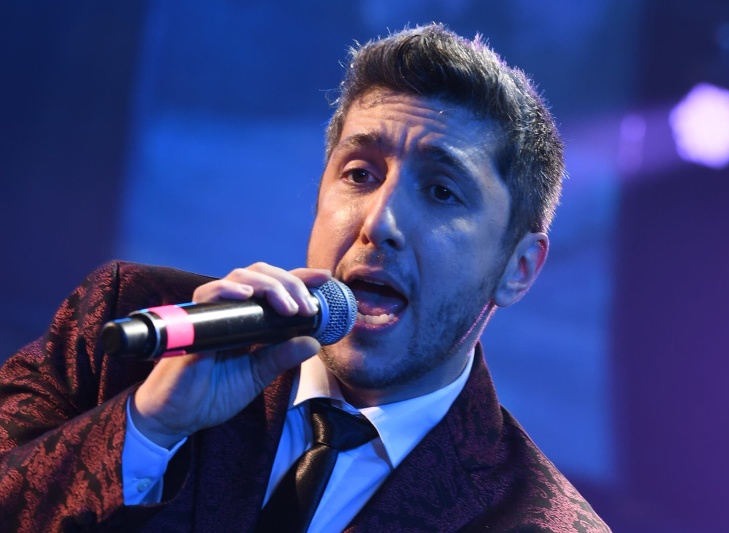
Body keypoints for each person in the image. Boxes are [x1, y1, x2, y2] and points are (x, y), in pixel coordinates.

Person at [0, 23, 610, 532]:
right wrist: (147, 428)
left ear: (518, 268)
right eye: (360, 174)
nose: (380, 223)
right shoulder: (125, 327)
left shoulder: (540, 522)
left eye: (442, 192)